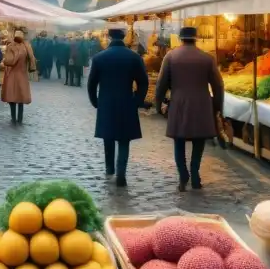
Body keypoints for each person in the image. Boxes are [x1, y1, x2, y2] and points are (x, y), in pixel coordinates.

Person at [154, 25, 225, 191]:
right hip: (202, 104)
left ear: (180, 38)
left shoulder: (171, 57)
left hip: (178, 103)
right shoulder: (207, 58)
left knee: (178, 141)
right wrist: (217, 108)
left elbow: (161, 84)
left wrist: (159, 105)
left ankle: (183, 175)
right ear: (196, 38)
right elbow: (218, 86)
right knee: (199, 141)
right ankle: (195, 174)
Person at [87, 28, 149, 188]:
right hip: (126, 100)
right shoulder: (134, 57)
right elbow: (143, 81)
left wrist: (95, 102)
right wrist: (137, 100)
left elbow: (91, 83)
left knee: (108, 137)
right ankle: (121, 173)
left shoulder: (99, 57)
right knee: (124, 139)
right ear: (124, 37)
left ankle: (109, 169)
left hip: (106, 101)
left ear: (108, 37)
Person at [1, 30, 35, 124]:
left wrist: (4, 60)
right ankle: (20, 118)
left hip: (12, 74)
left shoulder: (11, 46)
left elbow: (9, 61)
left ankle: (13, 118)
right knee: (21, 97)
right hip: (22, 74)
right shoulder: (27, 46)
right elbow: (31, 59)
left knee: (12, 97)